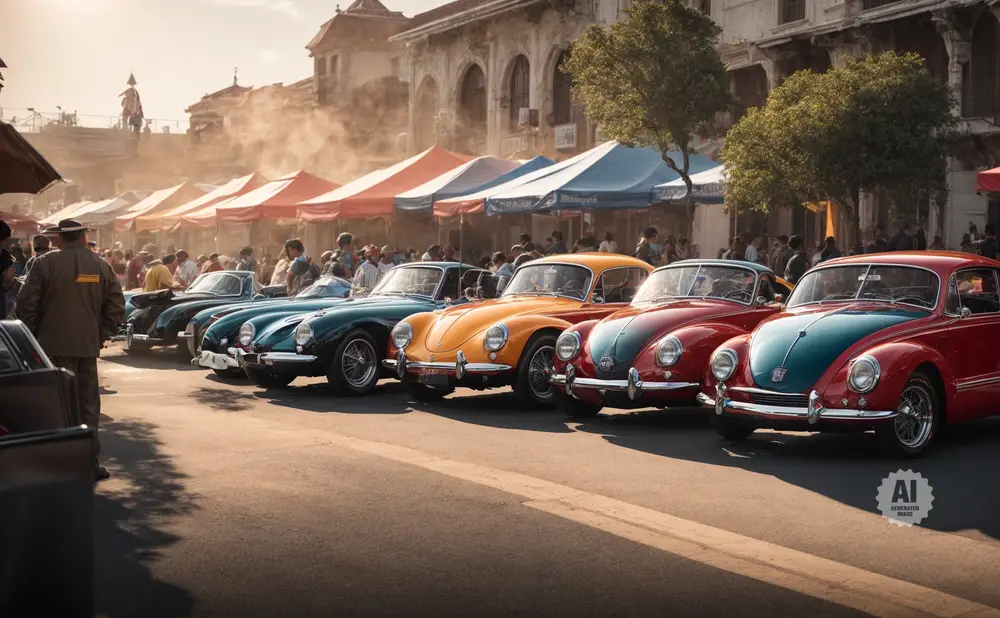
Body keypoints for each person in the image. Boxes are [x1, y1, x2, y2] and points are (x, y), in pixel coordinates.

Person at [13, 219, 126, 482]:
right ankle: (88, 463)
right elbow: (116, 307)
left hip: (50, 348)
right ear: (82, 237)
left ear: (60, 239)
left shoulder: (44, 263)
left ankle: (55, 465)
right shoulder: (101, 265)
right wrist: (99, 335)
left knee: (55, 407)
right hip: (86, 348)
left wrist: (32, 338)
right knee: (87, 408)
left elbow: (25, 305)